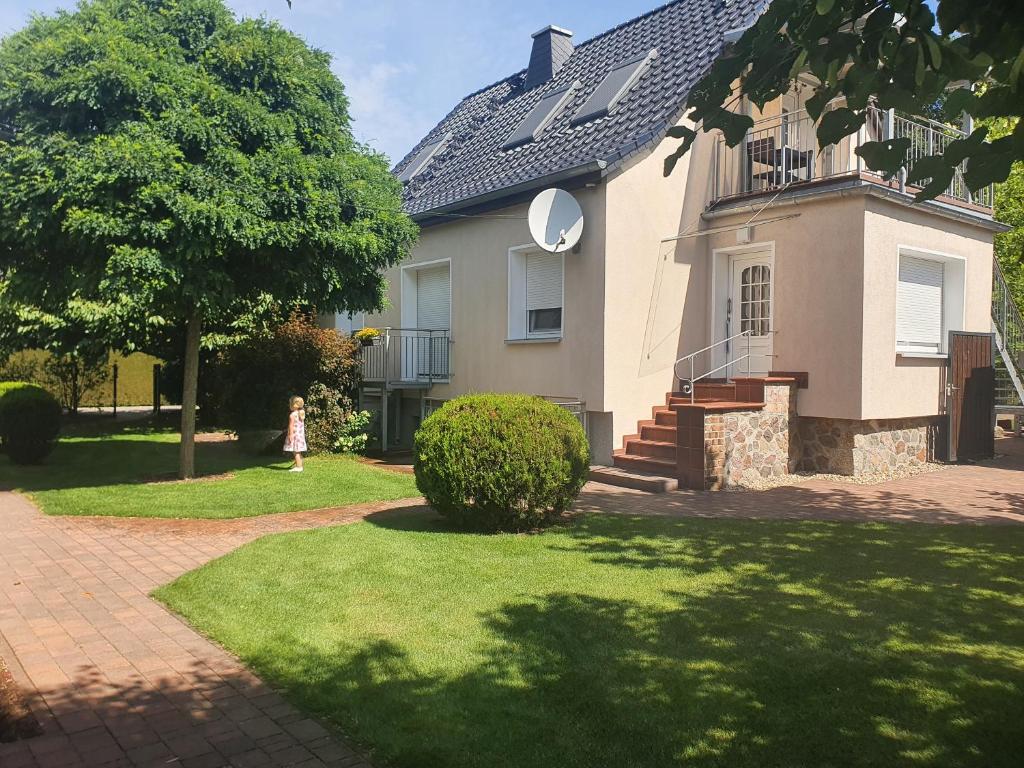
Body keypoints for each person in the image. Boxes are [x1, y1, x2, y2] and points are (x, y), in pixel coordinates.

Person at [284, 395, 307, 472]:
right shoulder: (301, 412)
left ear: (295, 405)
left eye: (290, 403)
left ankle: (299, 467)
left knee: (295, 451)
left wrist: (290, 435)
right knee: (298, 451)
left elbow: (291, 426)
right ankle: (299, 464)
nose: (289, 405)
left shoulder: (292, 415)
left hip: (294, 436)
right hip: (300, 436)